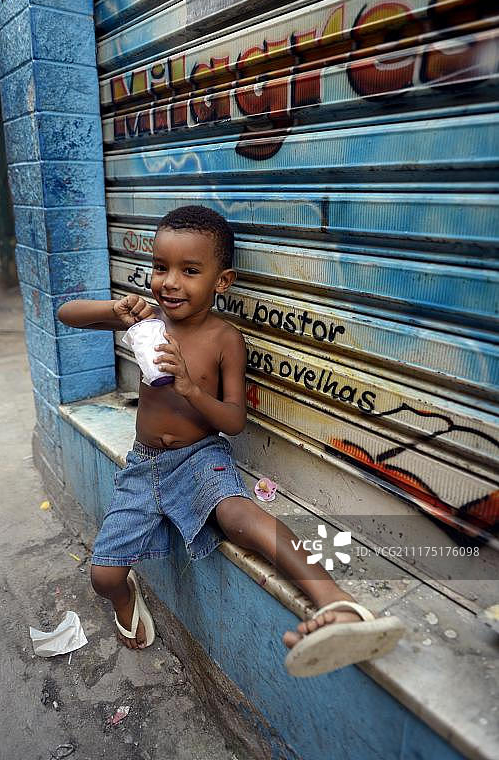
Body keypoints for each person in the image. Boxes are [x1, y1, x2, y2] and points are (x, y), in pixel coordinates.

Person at [57, 205, 403, 676]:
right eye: (161, 268)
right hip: (143, 466)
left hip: (200, 458)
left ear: (222, 281)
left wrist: (190, 389)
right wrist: (113, 310)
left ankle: (336, 603)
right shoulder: (147, 321)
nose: (170, 282)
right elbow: (66, 313)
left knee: (242, 517)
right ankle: (125, 596)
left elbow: (234, 421)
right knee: (103, 576)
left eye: (190, 271)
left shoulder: (224, 339)